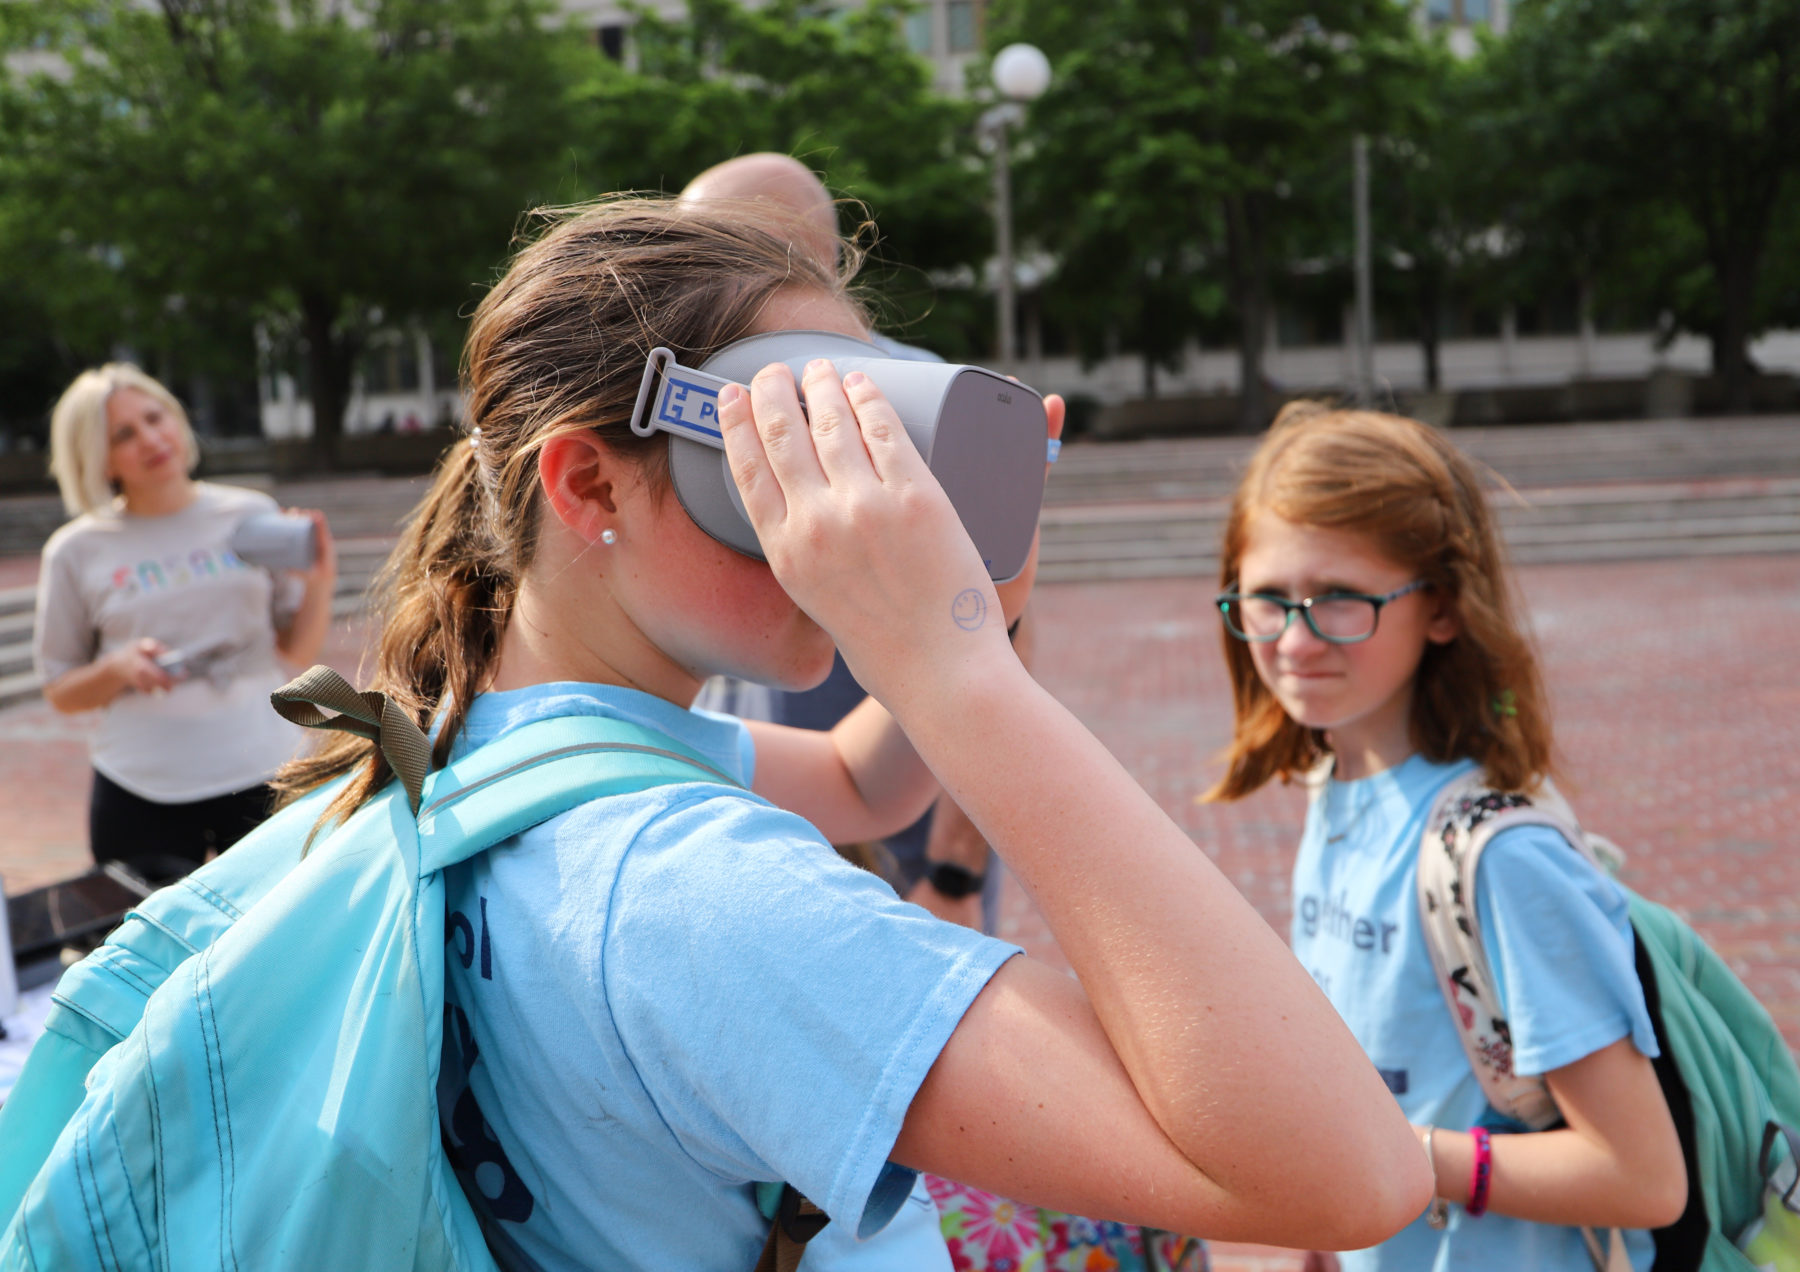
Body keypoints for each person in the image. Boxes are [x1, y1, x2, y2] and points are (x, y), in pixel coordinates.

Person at [271, 198, 1429, 1271]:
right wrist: (962, 674)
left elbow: (857, 782)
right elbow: (1349, 1174)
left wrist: (982, 603)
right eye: (787, 445)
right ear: (588, 486)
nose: (843, 501)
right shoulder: (703, 896)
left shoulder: (484, 748)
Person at [1201, 403, 1688, 1271]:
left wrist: (1395, 1161)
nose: (1297, 638)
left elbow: (1642, 1176)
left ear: (1444, 610)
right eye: (1269, 600)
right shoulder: (1336, 787)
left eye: (1342, 600)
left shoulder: (1502, 858)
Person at [683, 152, 1002, 934]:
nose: (677, 279)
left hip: (899, 842)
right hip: (762, 805)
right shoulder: (701, 391)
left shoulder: (927, 410)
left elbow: (1002, 644)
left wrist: (954, 868)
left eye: (705, 254)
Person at [34, 364, 338, 873]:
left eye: (156, 417)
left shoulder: (250, 513)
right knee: (159, 950)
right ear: (97, 457)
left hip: (267, 767)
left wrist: (319, 582)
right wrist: (118, 669)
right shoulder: (74, 550)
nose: (152, 439)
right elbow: (60, 688)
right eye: (124, 434)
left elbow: (296, 653)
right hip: (141, 785)